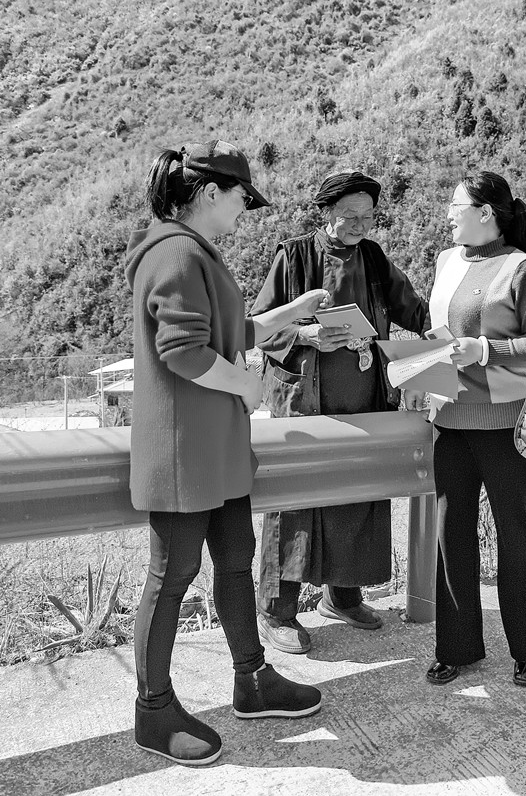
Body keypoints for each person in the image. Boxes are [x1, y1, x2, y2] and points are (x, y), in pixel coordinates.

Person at [126, 140, 328, 767]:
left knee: (236, 562)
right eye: (243, 196)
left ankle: (253, 679)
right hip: (185, 455)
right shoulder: (176, 253)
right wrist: (247, 385)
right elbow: (184, 351)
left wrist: (292, 314)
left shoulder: (195, 252)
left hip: (215, 452)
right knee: (172, 576)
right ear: (210, 192)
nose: (246, 208)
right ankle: (153, 711)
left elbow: (232, 332)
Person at [253, 169, 429, 655]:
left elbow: (414, 310)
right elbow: (260, 327)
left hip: (365, 402)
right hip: (304, 406)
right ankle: (275, 611)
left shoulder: (373, 257)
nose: (360, 225)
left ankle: (343, 598)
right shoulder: (293, 256)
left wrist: (453, 325)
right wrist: (306, 334)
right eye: (350, 216)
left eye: (368, 216)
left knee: (357, 495)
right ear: (326, 212)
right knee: (294, 502)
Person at [417, 170, 526, 688]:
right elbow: (437, 330)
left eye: (457, 206)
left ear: (485, 212)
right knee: (450, 534)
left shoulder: (522, 269)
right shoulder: (445, 261)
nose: (449, 214)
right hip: (448, 419)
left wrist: (484, 350)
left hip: (505, 423)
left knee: (514, 532)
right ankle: (456, 648)